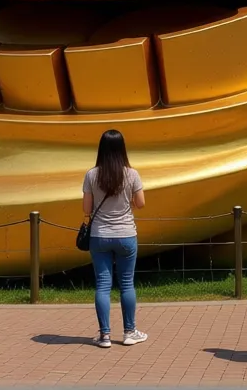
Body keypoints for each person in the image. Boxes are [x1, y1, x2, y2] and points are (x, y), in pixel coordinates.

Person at [83, 129, 146, 349]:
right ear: (122, 148)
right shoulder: (132, 174)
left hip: (99, 235)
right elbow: (141, 203)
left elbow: (86, 208)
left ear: (101, 148)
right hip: (126, 234)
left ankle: (105, 336)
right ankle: (129, 332)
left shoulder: (92, 175)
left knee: (103, 285)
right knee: (127, 284)